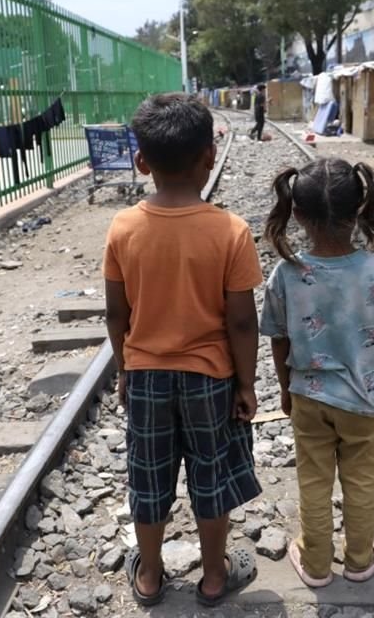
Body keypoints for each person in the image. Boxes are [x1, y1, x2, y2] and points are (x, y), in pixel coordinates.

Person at [103, 93, 262, 608]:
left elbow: (116, 315)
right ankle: (214, 577)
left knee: (148, 478)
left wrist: (124, 369)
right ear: (208, 157)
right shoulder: (230, 231)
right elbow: (242, 320)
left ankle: (150, 576)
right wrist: (245, 384)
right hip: (210, 379)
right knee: (210, 476)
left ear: (141, 161)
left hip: (147, 377)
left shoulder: (123, 227)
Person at [259, 158, 374, 587]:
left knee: (313, 481)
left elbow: (278, 340)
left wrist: (285, 389)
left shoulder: (286, 274)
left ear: (296, 213)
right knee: (361, 481)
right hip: (363, 399)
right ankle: (360, 560)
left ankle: (316, 565)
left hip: (308, 397)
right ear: (361, 207)